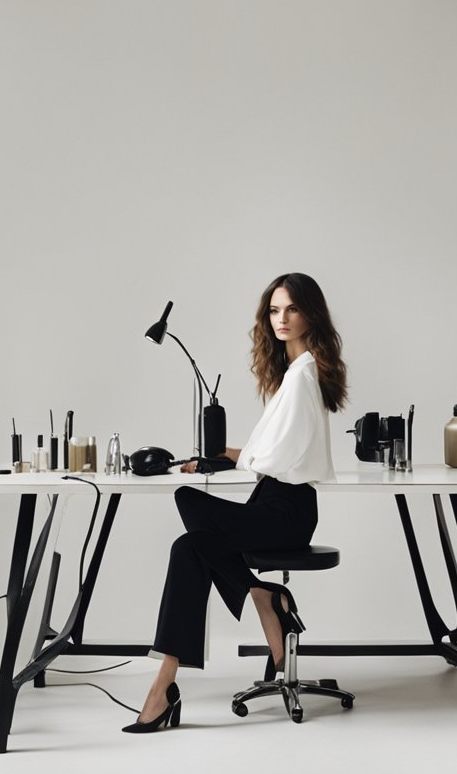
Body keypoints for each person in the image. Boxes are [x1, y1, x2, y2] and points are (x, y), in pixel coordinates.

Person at [124, 273, 347, 733]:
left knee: (190, 530)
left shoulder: (305, 375)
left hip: (286, 511)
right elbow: (271, 452)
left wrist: (239, 458)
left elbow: (279, 457)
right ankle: (255, 598)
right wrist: (225, 455)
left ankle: (252, 602)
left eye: (291, 309)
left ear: (310, 315)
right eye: (274, 310)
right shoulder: (293, 374)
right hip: (273, 501)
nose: (281, 319)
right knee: (190, 537)